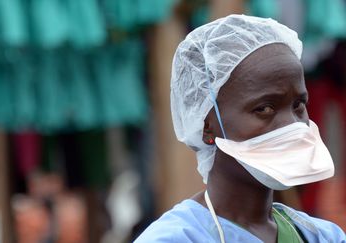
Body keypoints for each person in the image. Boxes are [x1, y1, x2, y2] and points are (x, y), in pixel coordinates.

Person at [135, 14, 346, 243]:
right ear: (207, 126)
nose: (292, 125)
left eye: (298, 105)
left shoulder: (321, 236)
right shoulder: (176, 238)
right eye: (264, 108)